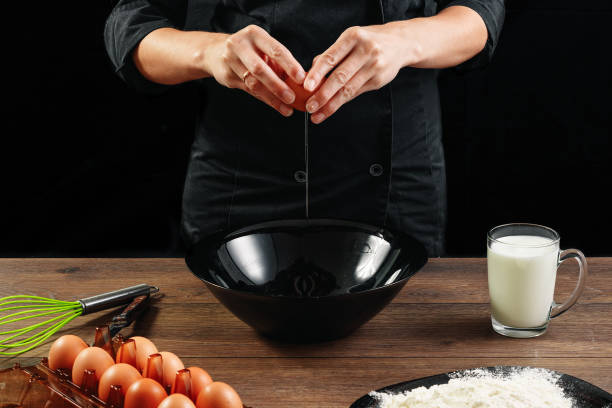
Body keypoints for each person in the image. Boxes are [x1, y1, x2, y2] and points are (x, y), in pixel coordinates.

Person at [104, 0, 504, 256]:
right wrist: (209, 51)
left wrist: (406, 40)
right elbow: (131, 26)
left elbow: (480, 13)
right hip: (243, 188)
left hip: (395, 188)